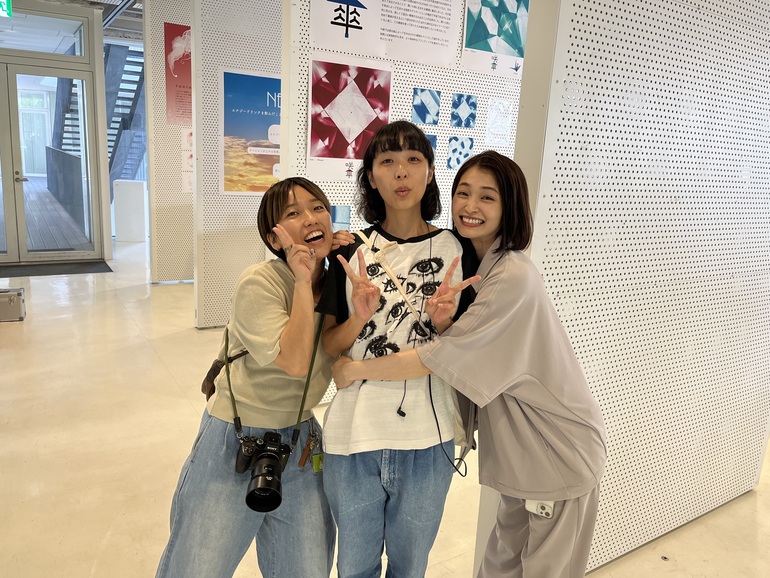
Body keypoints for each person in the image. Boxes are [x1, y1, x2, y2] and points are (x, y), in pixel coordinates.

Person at [332, 150, 608, 578]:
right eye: (463, 193)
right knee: (500, 564)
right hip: (521, 454)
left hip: (553, 450)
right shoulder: (484, 265)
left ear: (509, 207)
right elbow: (468, 349)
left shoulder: (511, 276)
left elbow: (439, 358)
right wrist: (444, 323)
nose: (470, 206)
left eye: (487, 197)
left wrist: (355, 370)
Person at [156, 177, 338, 578]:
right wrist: (302, 281)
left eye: (318, 207)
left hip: (302, 440)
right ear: (275, 238)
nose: (311, 218)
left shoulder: (339, 282)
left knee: (306, 569)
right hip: (235, 438)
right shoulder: (260, 282)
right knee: (197, 566)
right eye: (294, 213)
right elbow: (294, 361)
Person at [317, 120, 476, 577]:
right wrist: (359, 318)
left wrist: (444, 324)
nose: (401, 172)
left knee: (410, 568)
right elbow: (330, 345)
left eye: (413, 159)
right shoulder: (350, 252)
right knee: (354, 568)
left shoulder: (457, 249)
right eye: (387, 161)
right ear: (370, 176)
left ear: (430, 172)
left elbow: (460, 354)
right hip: (354, 436)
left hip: (428, 438)